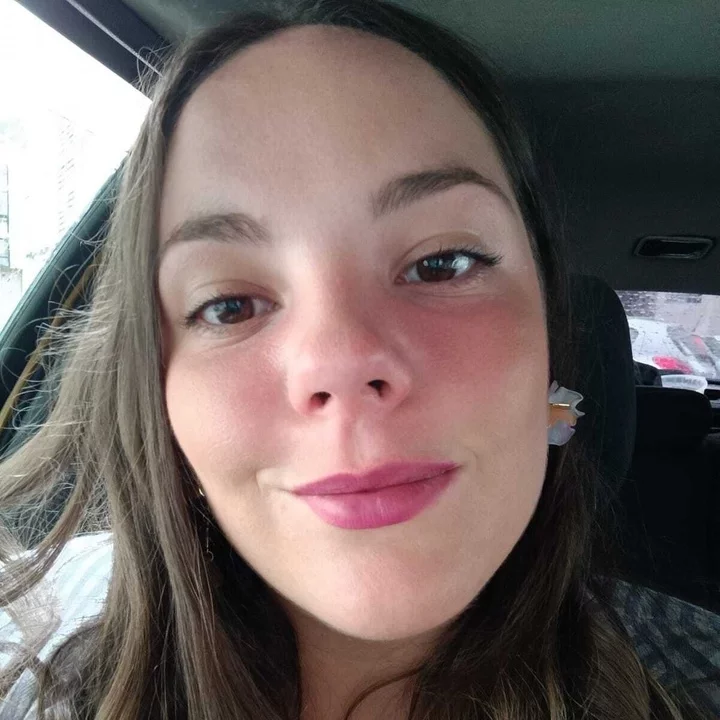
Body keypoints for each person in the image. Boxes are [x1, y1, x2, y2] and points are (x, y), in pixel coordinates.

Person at [0, 1, 718, 718]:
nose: (341, 362)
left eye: (442, 263)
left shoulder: (693, 677)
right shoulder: (33, 649)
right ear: (157, 395)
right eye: (230, 306)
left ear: (550, 349)